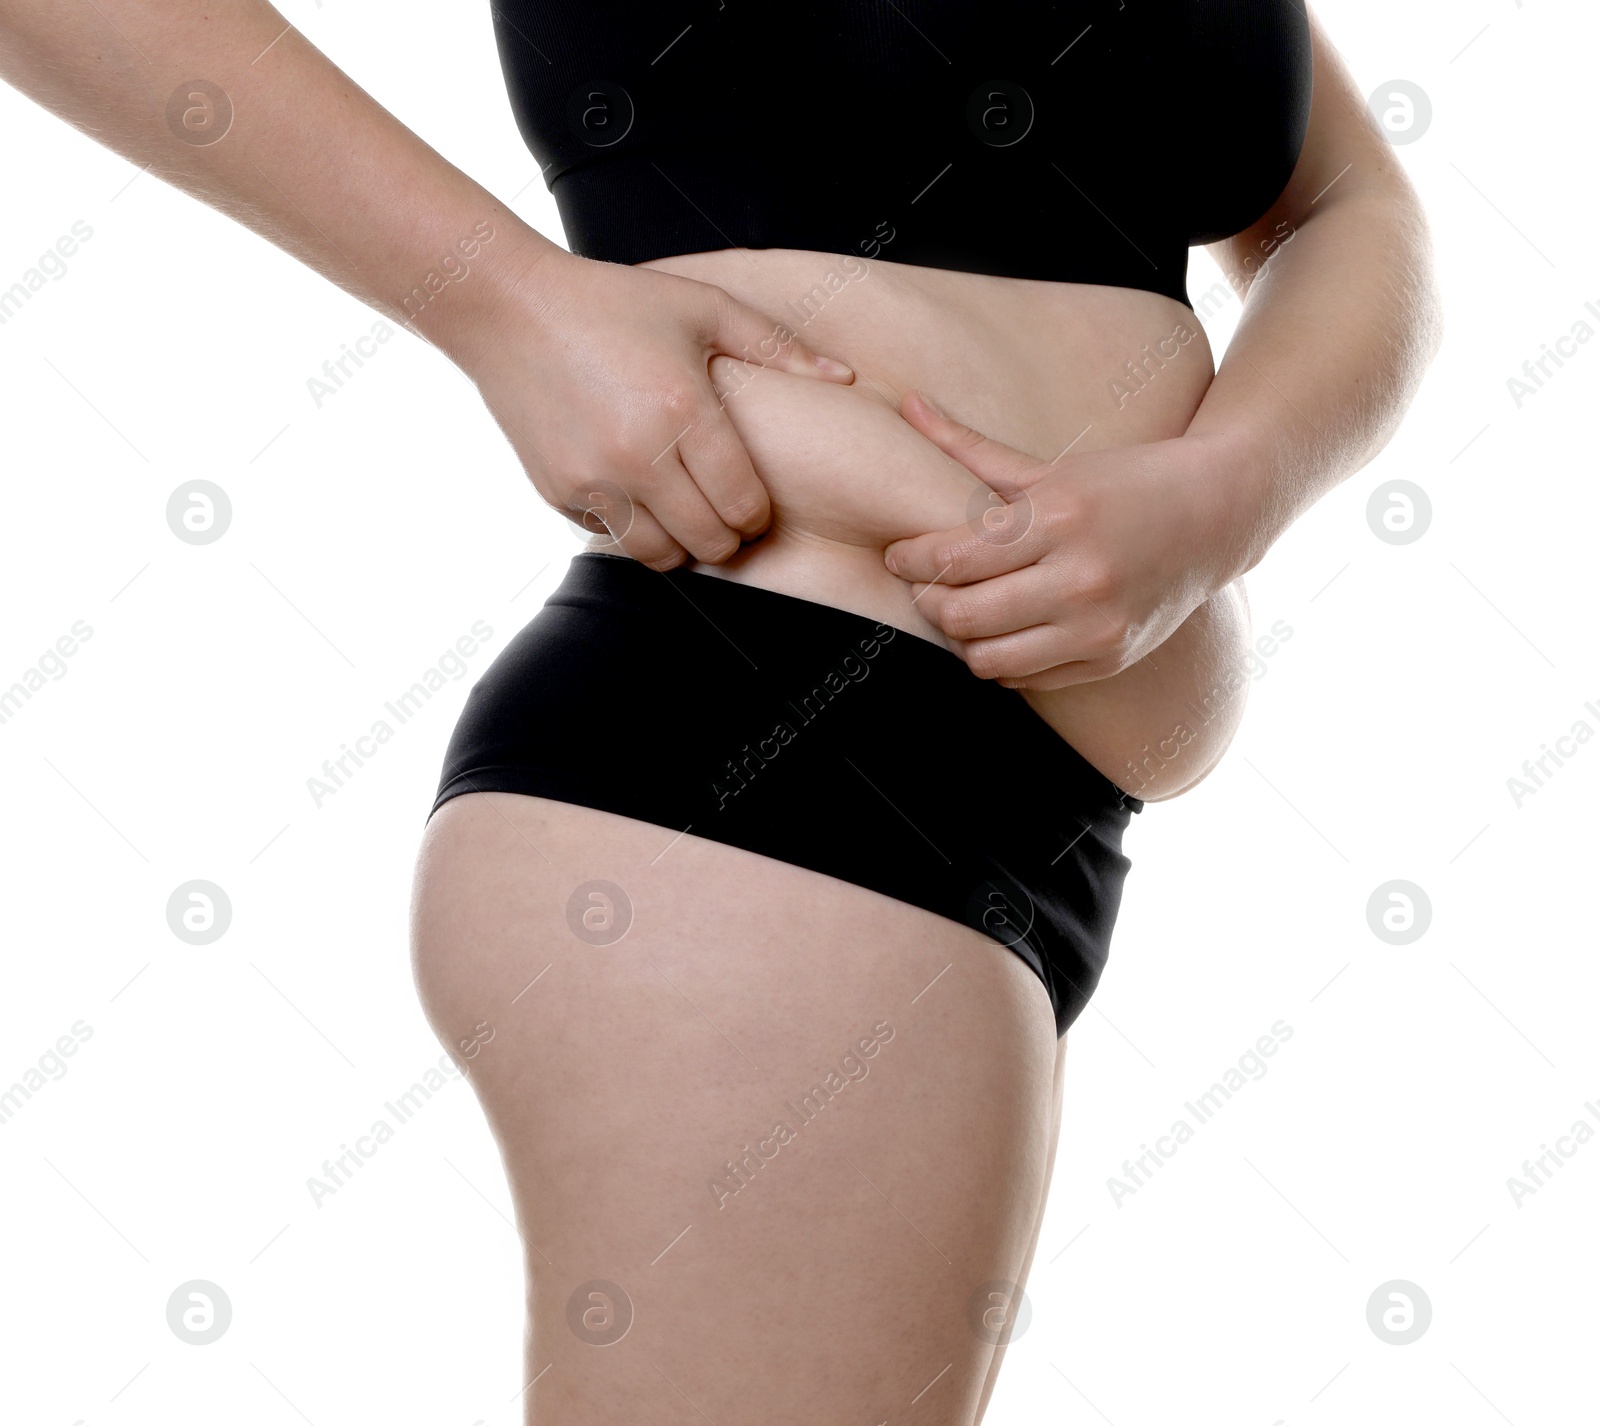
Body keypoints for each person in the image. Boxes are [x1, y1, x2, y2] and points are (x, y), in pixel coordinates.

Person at [0, 3, 1442, 1421]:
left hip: (1012, 825)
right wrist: (504, 301)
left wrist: (1228, 488)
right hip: (753, 759)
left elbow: (1340, 201)